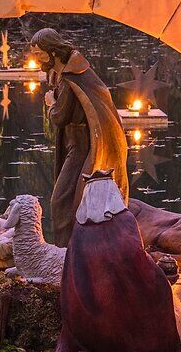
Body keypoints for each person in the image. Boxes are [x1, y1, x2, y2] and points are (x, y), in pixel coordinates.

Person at [54, 171, 181, 352]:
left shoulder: (79, 229)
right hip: (124, 315)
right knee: (161, 290)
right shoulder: (125, 220)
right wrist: (158, 274)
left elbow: (70, 277)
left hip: (88, 322)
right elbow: (138, 263)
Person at [30, 27, 127, 247]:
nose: (37, 59)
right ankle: (75, 249)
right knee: (72, 199)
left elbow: (60, 116)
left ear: (52, 51)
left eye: (39, 54)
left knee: (61, 200)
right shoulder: (65, 73)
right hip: (75, 144)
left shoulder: (71, 77)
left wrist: (50, 104)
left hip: (82, 147)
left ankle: (67, 252)